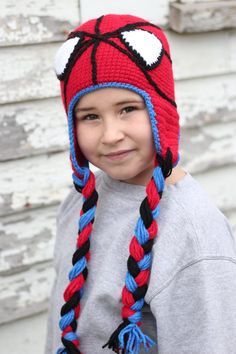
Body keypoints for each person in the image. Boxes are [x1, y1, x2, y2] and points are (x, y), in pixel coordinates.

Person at [44, 14, 236, 354]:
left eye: (128, 108)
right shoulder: (79, 202)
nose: (111, 135)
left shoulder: (192, 232)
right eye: (90, 116)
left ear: (161, 110)